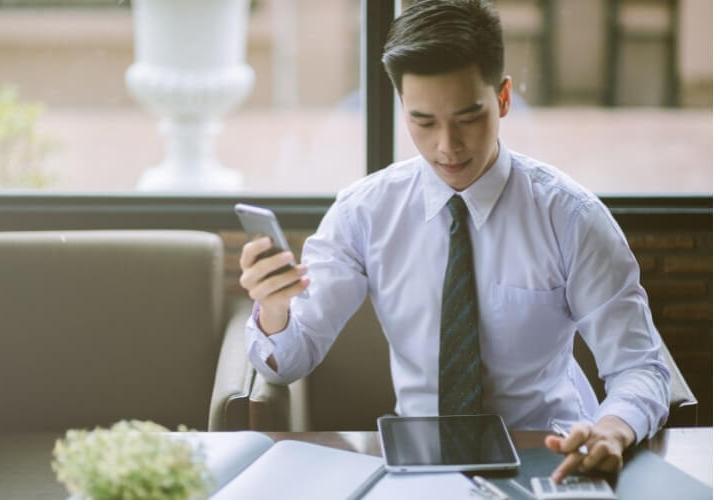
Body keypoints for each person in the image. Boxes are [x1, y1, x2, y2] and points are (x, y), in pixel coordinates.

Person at [238, 0, 670, 483]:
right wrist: (274, 308)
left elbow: (641, 366)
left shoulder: (571, 218)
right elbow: (287, 363)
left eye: (468, 118)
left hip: (550, 455)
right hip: (419, 463)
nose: (447, 146)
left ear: (503, 98)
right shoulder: (364, 214)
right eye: (423, 122)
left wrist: (612, 429)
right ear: (402, 107)